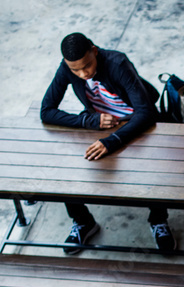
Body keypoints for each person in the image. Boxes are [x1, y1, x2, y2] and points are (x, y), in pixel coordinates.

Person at [40, 32, 175, 254]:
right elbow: (46, 111)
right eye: (75, 70)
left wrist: (112, 141)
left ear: (94, 51)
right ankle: (83, 222)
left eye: (87, 66)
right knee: (68, 165)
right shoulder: (67, 68)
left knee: (151, 169)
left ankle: (158, 220)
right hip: (100, 124)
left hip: (136, 122)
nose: (83, 74)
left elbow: (146, 112)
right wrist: (89, 120)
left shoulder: (117, 63)